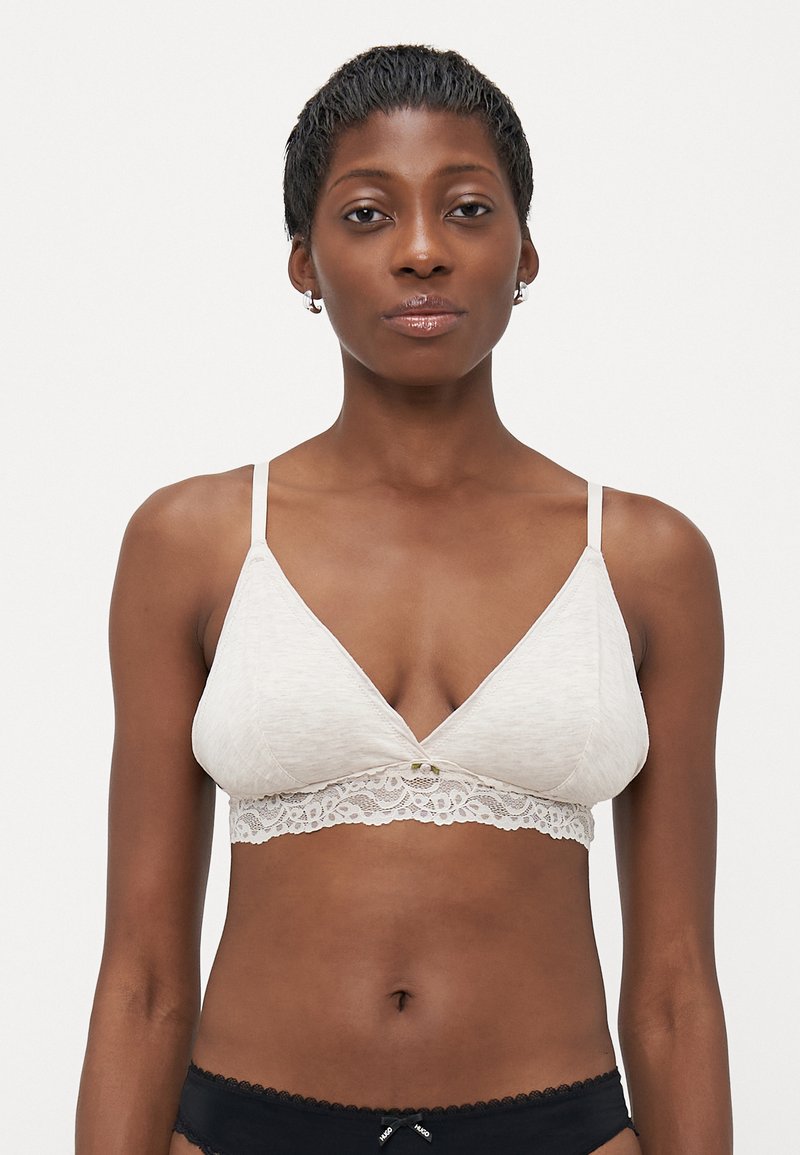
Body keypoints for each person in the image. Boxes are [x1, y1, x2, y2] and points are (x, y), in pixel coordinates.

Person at [75, 43, 733, 1155]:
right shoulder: (191, 543)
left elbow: (674, 984)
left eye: (467, 209)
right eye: (368, 214)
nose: (422, 250)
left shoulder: (645, 558)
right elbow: (140, 975)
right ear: (304, 261)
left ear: (525, 251)